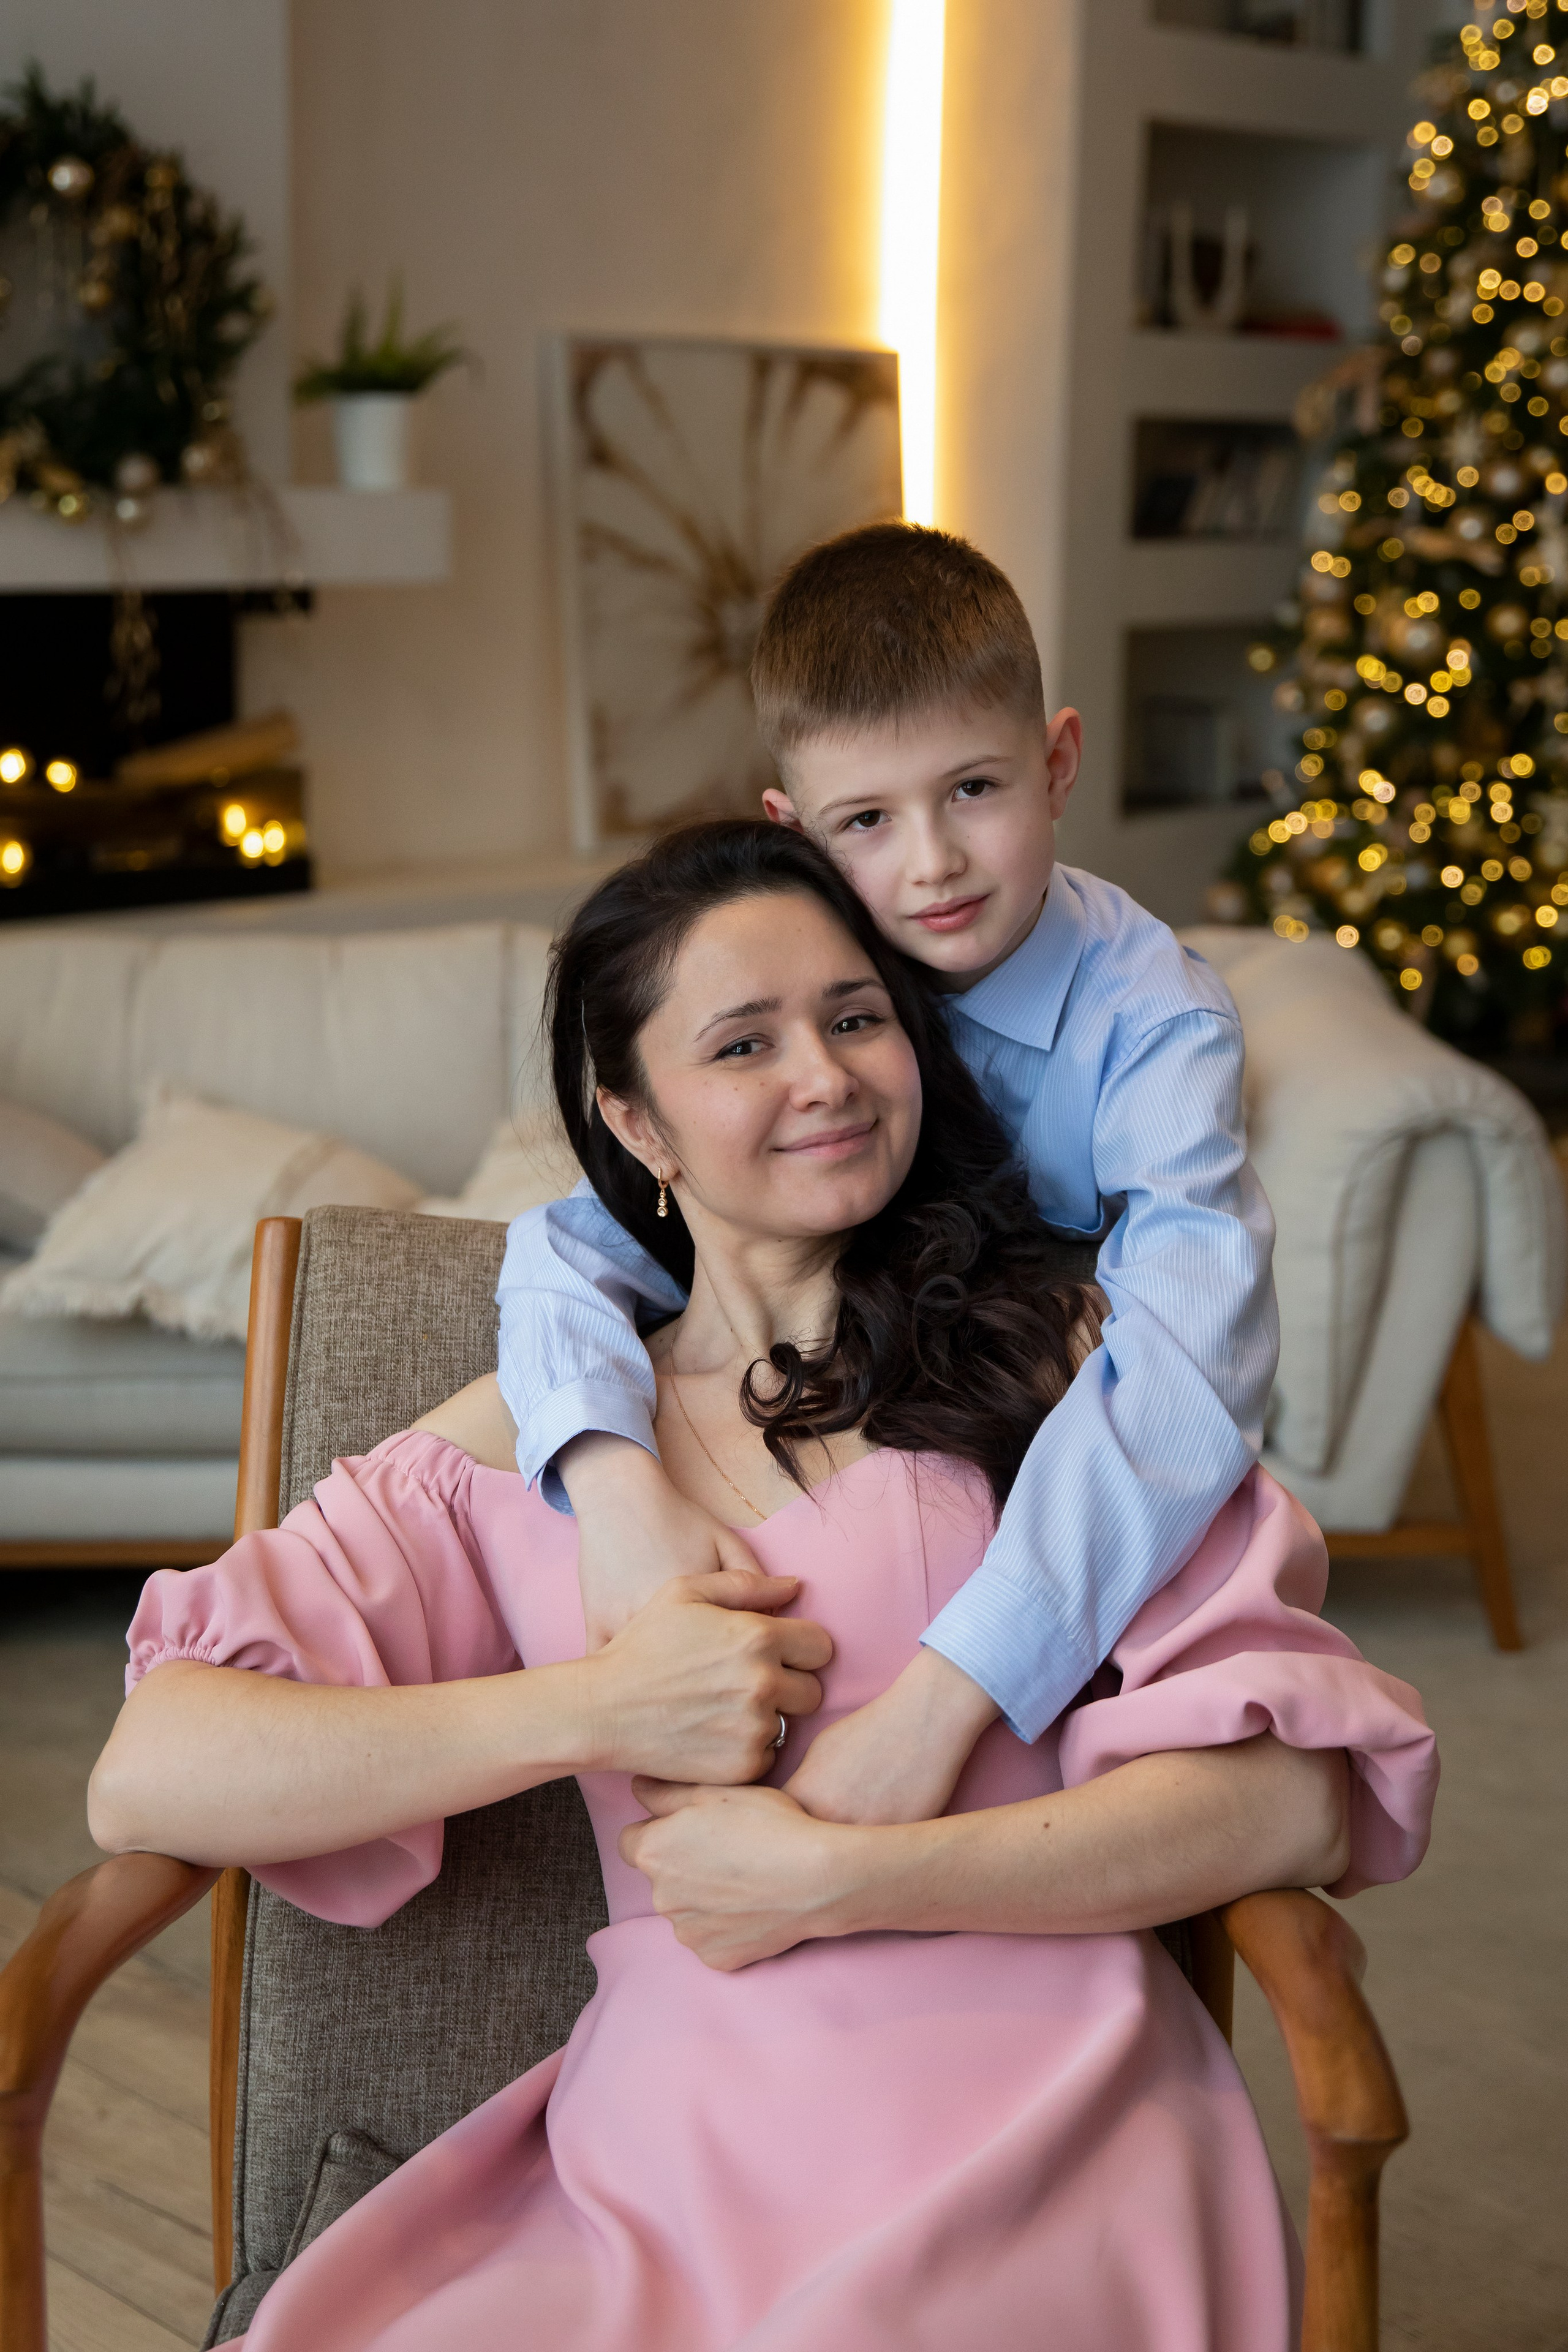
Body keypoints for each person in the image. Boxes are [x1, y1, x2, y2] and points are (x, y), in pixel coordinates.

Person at [91, 823, 1436, 2352]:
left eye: (856, 1016)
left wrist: (851, 1877)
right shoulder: (534, 1441)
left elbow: (1289, 1804)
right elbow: (154, 1773)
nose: (828, 1076)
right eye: (744, 1043)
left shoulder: (1067, 1370)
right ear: (635, 1122)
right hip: (668, 2155)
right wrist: (593, 1707)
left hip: (1038, 2125)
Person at [494, 522, 1278, 1830]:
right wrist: (614, 1486)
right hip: (836, 1435)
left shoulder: (1154, 1023)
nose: (932, 864)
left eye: (974, 789)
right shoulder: (812, 975)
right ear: (794, 832)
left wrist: (956, 1688)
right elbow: (572, 1244)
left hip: (1044, 1466)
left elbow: (1191, 1364)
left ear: (1056, 762)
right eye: (867, 819)